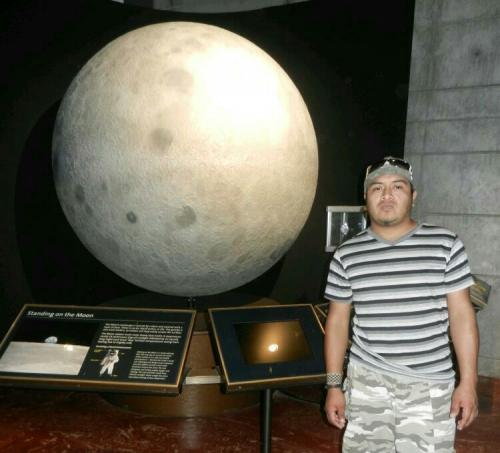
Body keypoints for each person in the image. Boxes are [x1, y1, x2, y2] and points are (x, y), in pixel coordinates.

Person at [323, 156, 479, 452]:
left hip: (429, 385)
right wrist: (333, 385)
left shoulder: (445, 244)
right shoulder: (346, 255)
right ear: (365, 197)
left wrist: (468, 382)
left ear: (413, 195)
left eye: (397, 187)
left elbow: (462, 316)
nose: (387, 195)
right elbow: (337, 322)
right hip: (367, 382)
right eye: (377, 188)